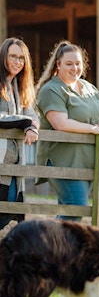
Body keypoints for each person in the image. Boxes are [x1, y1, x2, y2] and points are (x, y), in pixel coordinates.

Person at [35, 40, 99, 221]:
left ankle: (56, 247)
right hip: (63, 160)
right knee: (77, 208)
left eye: (78, 63)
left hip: (88, 160)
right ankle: (53, 246)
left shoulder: (90, 88)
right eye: (69, 64)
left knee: (71, 211)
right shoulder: (51, 90)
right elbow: (61, 123)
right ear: (58, 65)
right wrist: (93, 130)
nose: (74, 68)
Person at [0, 37, 39, 230]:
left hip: (15, 163)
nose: (17, 61)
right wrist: (26, 123)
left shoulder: (20, 86)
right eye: (13, 56)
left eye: (21, 58)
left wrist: (31, 126)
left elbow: (32, 115)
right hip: (1, 161)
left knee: (9, 211)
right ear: (3, 57)